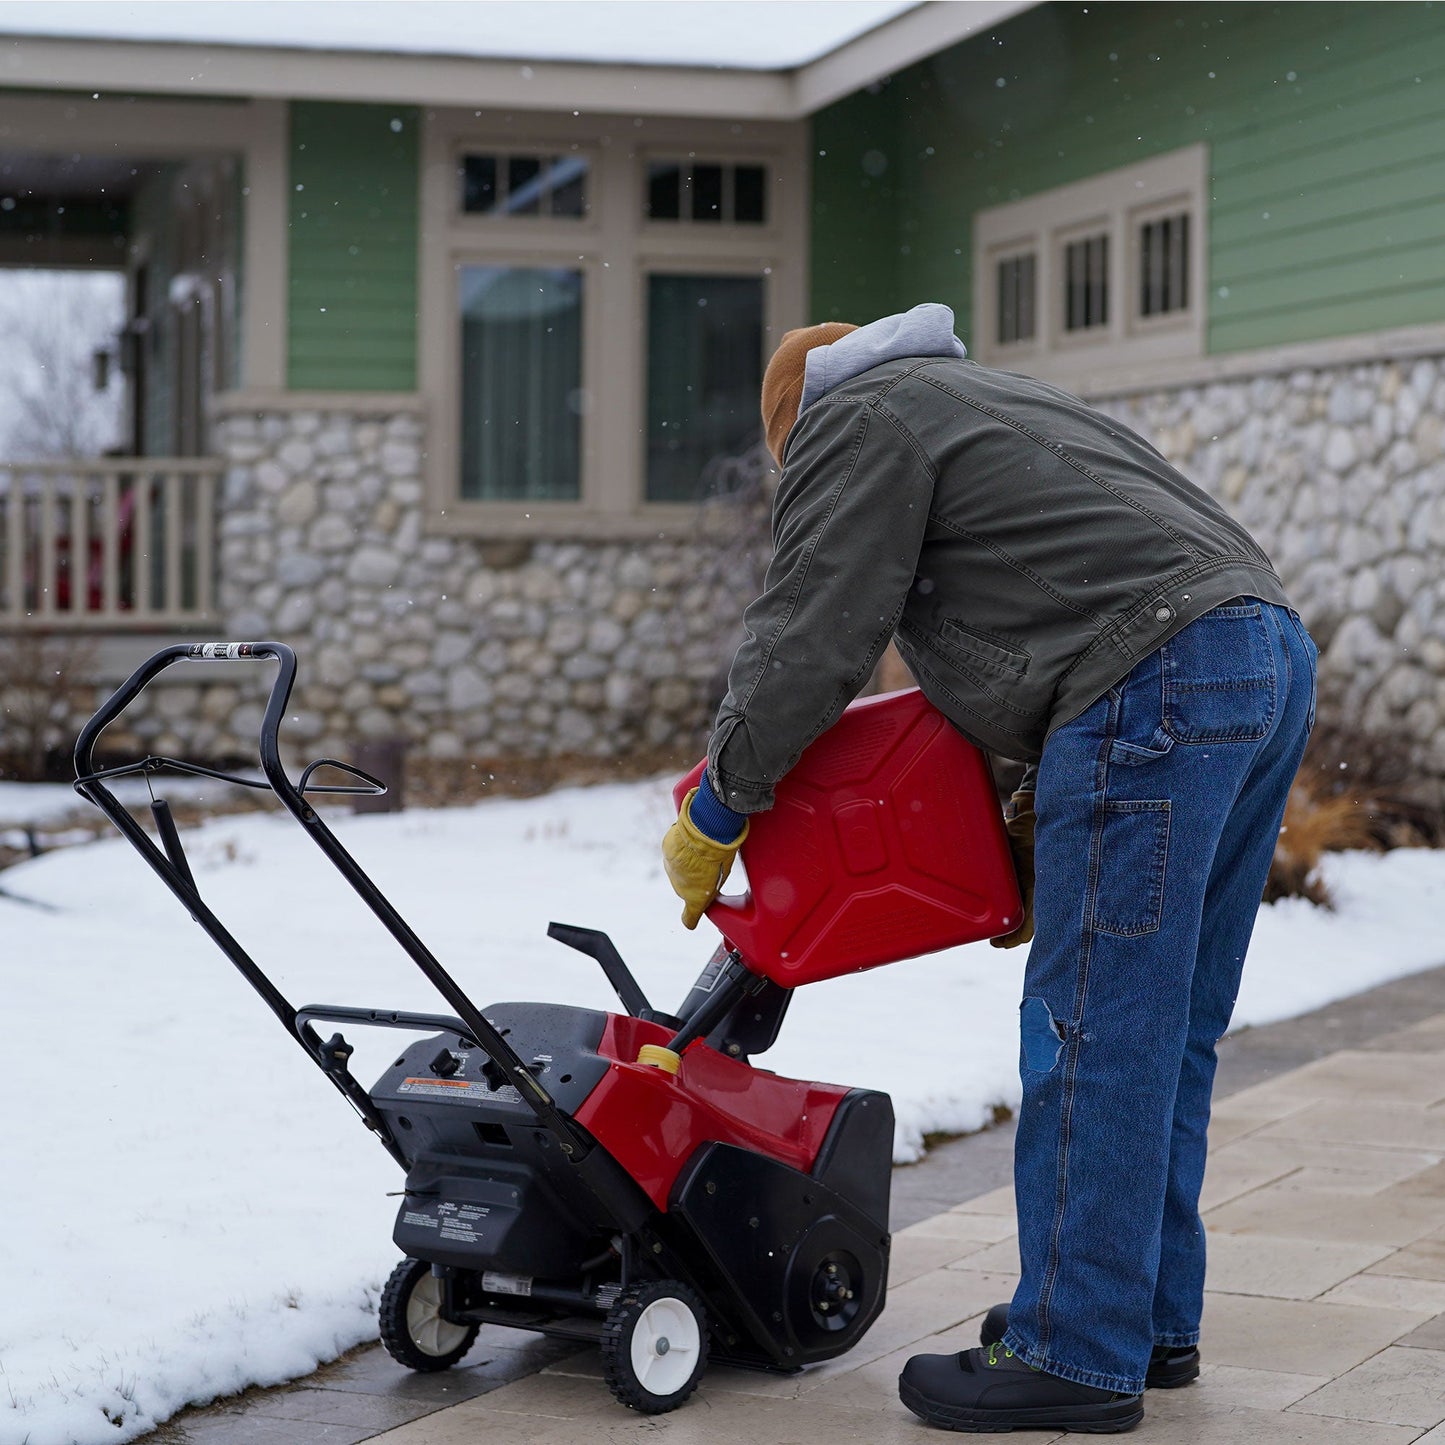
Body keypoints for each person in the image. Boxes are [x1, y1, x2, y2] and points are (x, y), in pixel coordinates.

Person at [661, 304, 1317, 1434]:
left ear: (792, 425)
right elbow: (1044, 627)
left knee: (1090, 1021)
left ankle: (1072, 1347)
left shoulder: (851, 419)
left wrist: (720, 802)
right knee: (1160, 1021)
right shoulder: (983, 401)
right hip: (1258, 656)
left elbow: (809, 634)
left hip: (1155, 674)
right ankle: (1140, 1318)